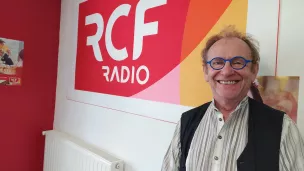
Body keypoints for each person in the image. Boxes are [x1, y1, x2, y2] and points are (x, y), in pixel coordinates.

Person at [161, 26, 304, 171]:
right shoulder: (186, 123)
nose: (227, 71)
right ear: (206, 71)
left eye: (238, 62)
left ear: (254, 70)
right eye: (217, 62)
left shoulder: (283, 129)